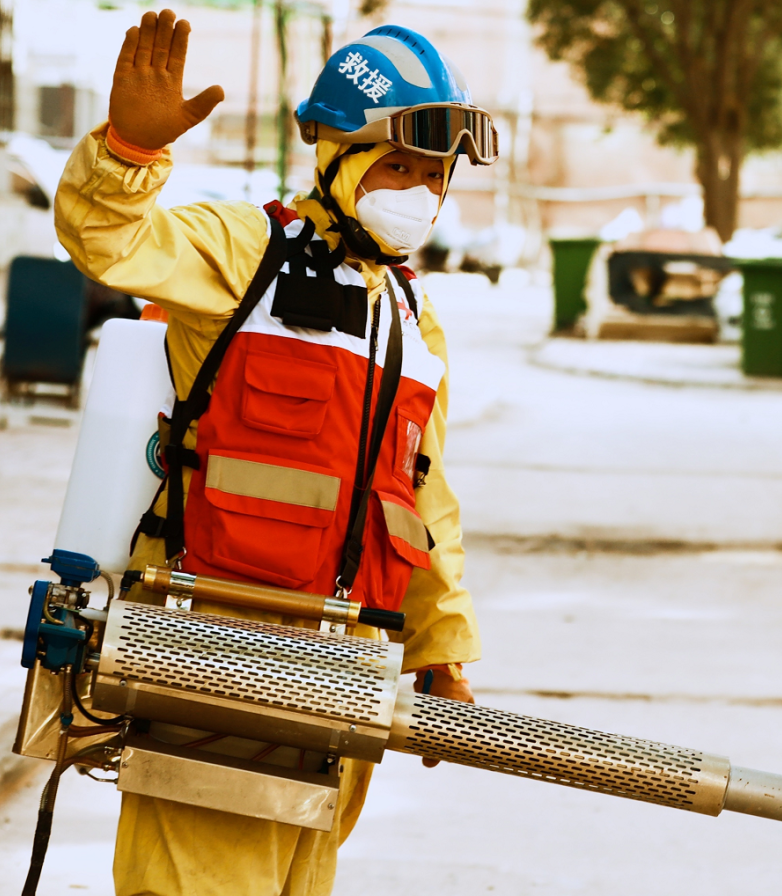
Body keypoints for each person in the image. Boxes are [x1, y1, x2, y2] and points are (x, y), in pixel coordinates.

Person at [54, 9, 498, 895]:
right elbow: (110, 240)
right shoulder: (245, 252)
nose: (420, 189)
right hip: (215, 652)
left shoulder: (412, 317)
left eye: (435, 173)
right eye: (398, 164)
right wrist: (127, 158)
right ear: (335, 155)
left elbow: (421, 500)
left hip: (348, 673)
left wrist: (438, 651)